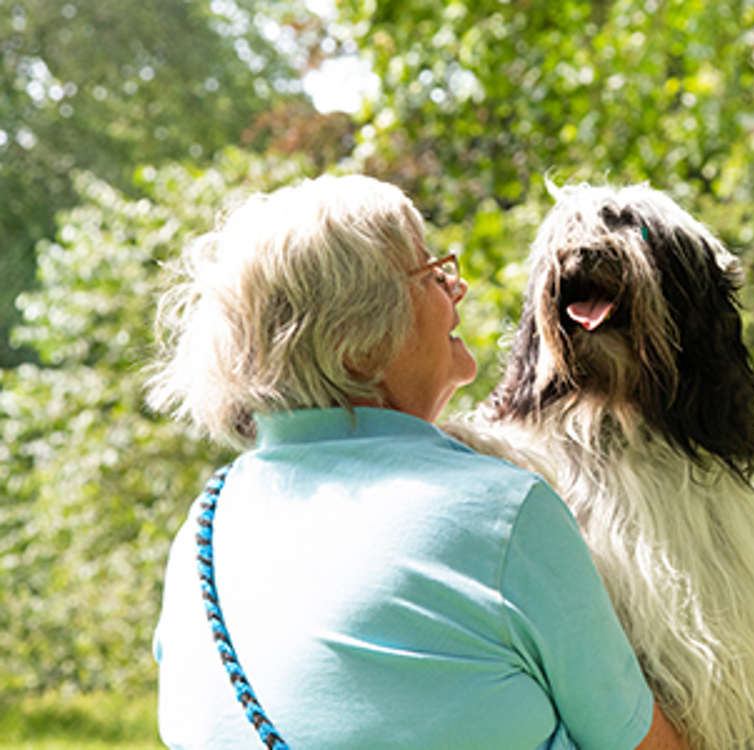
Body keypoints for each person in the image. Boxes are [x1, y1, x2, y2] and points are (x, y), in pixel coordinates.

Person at [146, 174, 685, 750]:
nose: (459, 289)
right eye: (433, 274)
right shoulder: (500, 511)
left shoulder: (202, 529)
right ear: (360, 340)